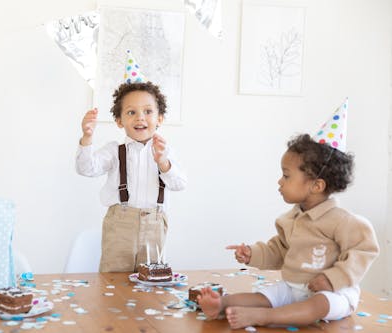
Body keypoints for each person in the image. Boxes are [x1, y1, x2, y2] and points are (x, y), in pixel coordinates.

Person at [198, 101, 379, 329]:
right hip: (295, 287)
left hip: (333, 293)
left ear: (316, 185)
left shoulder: (341, 220)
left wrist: (333, 278)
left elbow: (364, 250)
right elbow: (279, 250)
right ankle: (222, 304)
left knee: (317, 306)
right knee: (264, 296)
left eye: (286, 176)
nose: (280, 181)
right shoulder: (291, 219)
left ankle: (265, 318)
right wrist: (252, 253)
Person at [75, 51, 186, 272]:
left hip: (155, 224)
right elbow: (86, 168)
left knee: (151, 281)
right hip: (120, 224)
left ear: (160, 119)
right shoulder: (115, 151)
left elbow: (180, 184)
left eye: (148, 111)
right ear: (119, 120)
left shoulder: (165, 151)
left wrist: (163, 163)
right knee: (114, 280)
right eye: (131, 112)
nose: (140, 118)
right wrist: (87, 138)